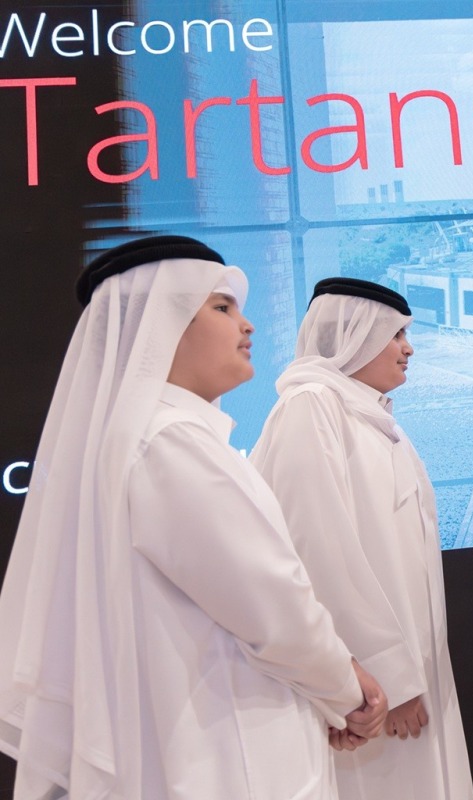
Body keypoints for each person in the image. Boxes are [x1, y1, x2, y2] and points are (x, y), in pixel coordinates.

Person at [0, 236, 387, 799]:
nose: (247, 327)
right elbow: (272, 604)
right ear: (164, 325)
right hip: (230, 754)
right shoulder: (171, 441)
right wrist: (348, 690)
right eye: (223, 308)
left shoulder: (144, 438)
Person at [251, 277, 473, 800]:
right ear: (356, 336)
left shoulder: (370, 415)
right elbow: (318, 551)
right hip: (371, 696)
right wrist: (385, 681)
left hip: (412, 675)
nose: (408, 348)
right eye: (396, 334)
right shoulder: (311, 407)